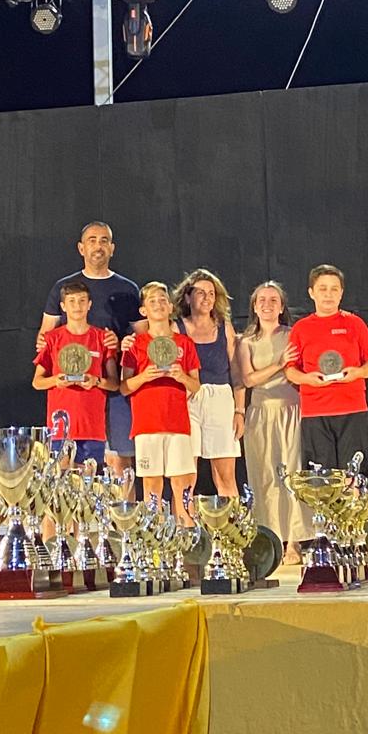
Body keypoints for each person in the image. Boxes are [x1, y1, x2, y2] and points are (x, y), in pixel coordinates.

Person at [38, 221, 140, 475]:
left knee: (120, 460)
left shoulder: (128, 289)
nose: (98, 246)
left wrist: (121, 344)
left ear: (112, 248)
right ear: (81, 248)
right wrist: (47, 348)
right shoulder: (63, 288)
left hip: (115, 385)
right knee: (68, 463)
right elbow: (45, 335)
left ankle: (119, 503)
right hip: (74, 395)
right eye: (92, 240)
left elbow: (144, 338)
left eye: (104, 240)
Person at [284, 264, 368, 477]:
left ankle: (354, 500)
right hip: (315, 412)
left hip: (352, 409)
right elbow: (290, 371)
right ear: (311, 293)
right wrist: (307, 379)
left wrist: (358, 373)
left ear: (341, 293)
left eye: (334, 289)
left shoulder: (355, 324)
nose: (328, 294)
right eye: (323, 288)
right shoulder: (301, 328)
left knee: (354, 477)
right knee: (321, 480)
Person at [237, 280, 307, 564]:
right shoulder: (245, 341)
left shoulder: (294, 335)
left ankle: (294, 542)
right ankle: (271, 539)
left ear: (281, 306)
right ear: (254, 307)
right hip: (260, 415)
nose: (267, 305)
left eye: (273, 300)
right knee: (264, 477)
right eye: (262, 300)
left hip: (292, 412)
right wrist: (279, 364)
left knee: (292, 475)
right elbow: (248, 379)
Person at [121, 281, 201, 516]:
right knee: (151, 485)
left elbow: (196, 385)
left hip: (177, 424)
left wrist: (181, 376)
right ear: (143, 310)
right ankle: (154, 534)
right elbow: (124, 387)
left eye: (162, 300)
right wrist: (144, 377)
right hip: (147, 425)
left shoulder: (184, 343)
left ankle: (187, 533)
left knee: (182, 484)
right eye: (152, 301)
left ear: (170, 307)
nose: (158, 304)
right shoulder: (135, 344)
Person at [172, 269, 245, 500]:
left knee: (225, 476)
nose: (206, 298)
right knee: (186, 478)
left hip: (220, 399)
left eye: (211, 293)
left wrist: (239, 410)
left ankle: (230, 522)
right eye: (200, 292)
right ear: (187, 297)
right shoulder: (176, 328)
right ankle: (185, 522)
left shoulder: (224, 327)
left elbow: (237, 373)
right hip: (187, 399)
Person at [32, 279, 119, 469]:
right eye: (71, 301)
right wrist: (56, 380)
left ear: (89, 304)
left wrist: (96, 381)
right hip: (60, 428)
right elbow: (37, 382)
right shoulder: (52, 338)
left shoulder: (102, 338)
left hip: (92, 426)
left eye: (81, 301)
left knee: (88, 480)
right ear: (63, 306)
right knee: (62, 479)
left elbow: (114, 383)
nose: (77, 306)